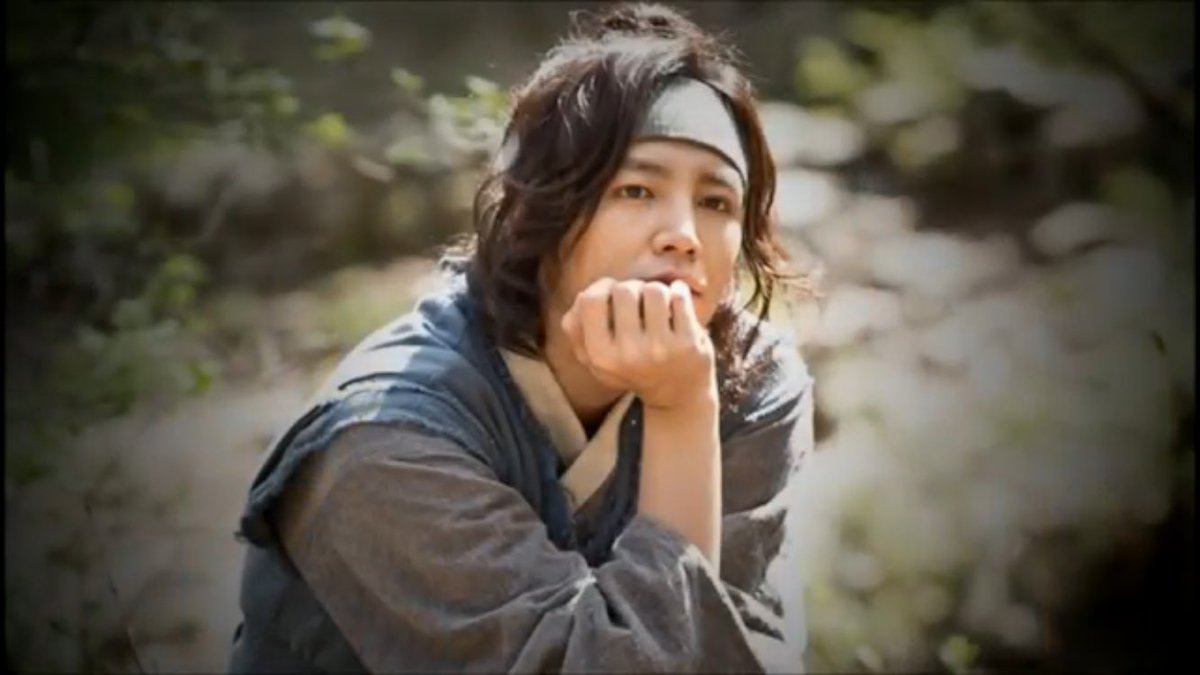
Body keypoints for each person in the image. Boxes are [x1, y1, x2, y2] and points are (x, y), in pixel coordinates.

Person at [228, 3, 815, 672]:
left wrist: (693, 403)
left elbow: (752, 655)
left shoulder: (748, 383)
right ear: (543, 208)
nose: (683, 234)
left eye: (716, 202)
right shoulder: (383, 443)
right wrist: (679, 411)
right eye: (635, 190)